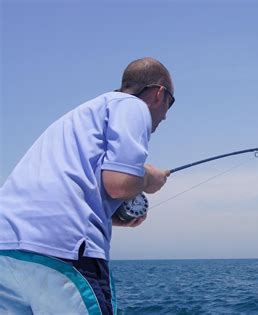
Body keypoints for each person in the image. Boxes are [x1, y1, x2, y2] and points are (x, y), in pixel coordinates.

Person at [0, 57, 175, 314]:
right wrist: (149, 178)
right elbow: (119, 184)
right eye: (170, 103)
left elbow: (74, 187)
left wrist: (113, 216)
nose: (166, 116)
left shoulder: (81, 116)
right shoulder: (133, 106)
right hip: (64, 253)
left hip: (7, 252)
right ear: (159, 94)